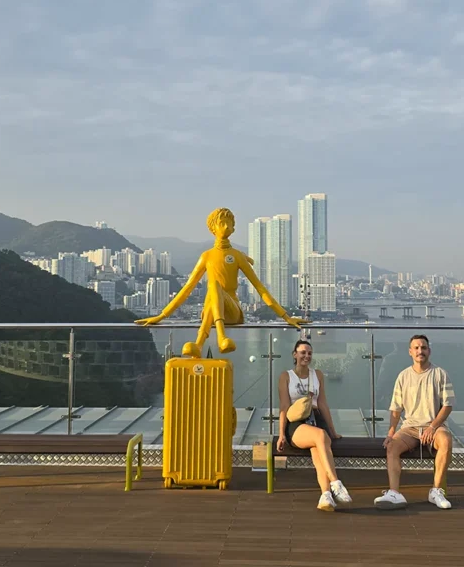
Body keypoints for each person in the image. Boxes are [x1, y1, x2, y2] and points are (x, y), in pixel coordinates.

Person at [135, 208, 307, 357]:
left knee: (214, 286)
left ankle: (205, 341)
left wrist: (286, 317)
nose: (225, 226)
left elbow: (260, 288)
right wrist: (162, 316)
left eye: (229, 223)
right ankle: (212, 341)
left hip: (232, 311)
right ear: (213, 228)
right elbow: (187, 289)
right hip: (211, 310)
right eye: (221, 223)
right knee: (213, 288)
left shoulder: (237, 255)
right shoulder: (207, 256)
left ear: (233, 228)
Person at [374, 334, 454, 510]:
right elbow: (396, 409)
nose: (420, 351)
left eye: (423, 348)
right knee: (392, 446)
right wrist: (390, 433)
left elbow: (448, 405)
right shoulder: (403, 376)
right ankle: (394, 493)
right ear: (410, 352)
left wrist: (432, 427)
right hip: (409, 428)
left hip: (434, 426)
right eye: (416, 348)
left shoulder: (440, 374)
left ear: (429, 351)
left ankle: (436, 491)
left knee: (446, 441)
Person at [277, 339, 352, 511]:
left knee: (319, 454)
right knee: (319, 436)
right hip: (296, 423)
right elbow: (283, 407)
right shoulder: (286, 376)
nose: (306, 356)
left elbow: (323, 403)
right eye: (302, 352)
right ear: (294, 355)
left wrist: (333, 430)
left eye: (309, 353)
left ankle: (325, 496)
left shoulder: (317, 375)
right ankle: (335, 483)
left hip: (316, 419)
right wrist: (281, 434)